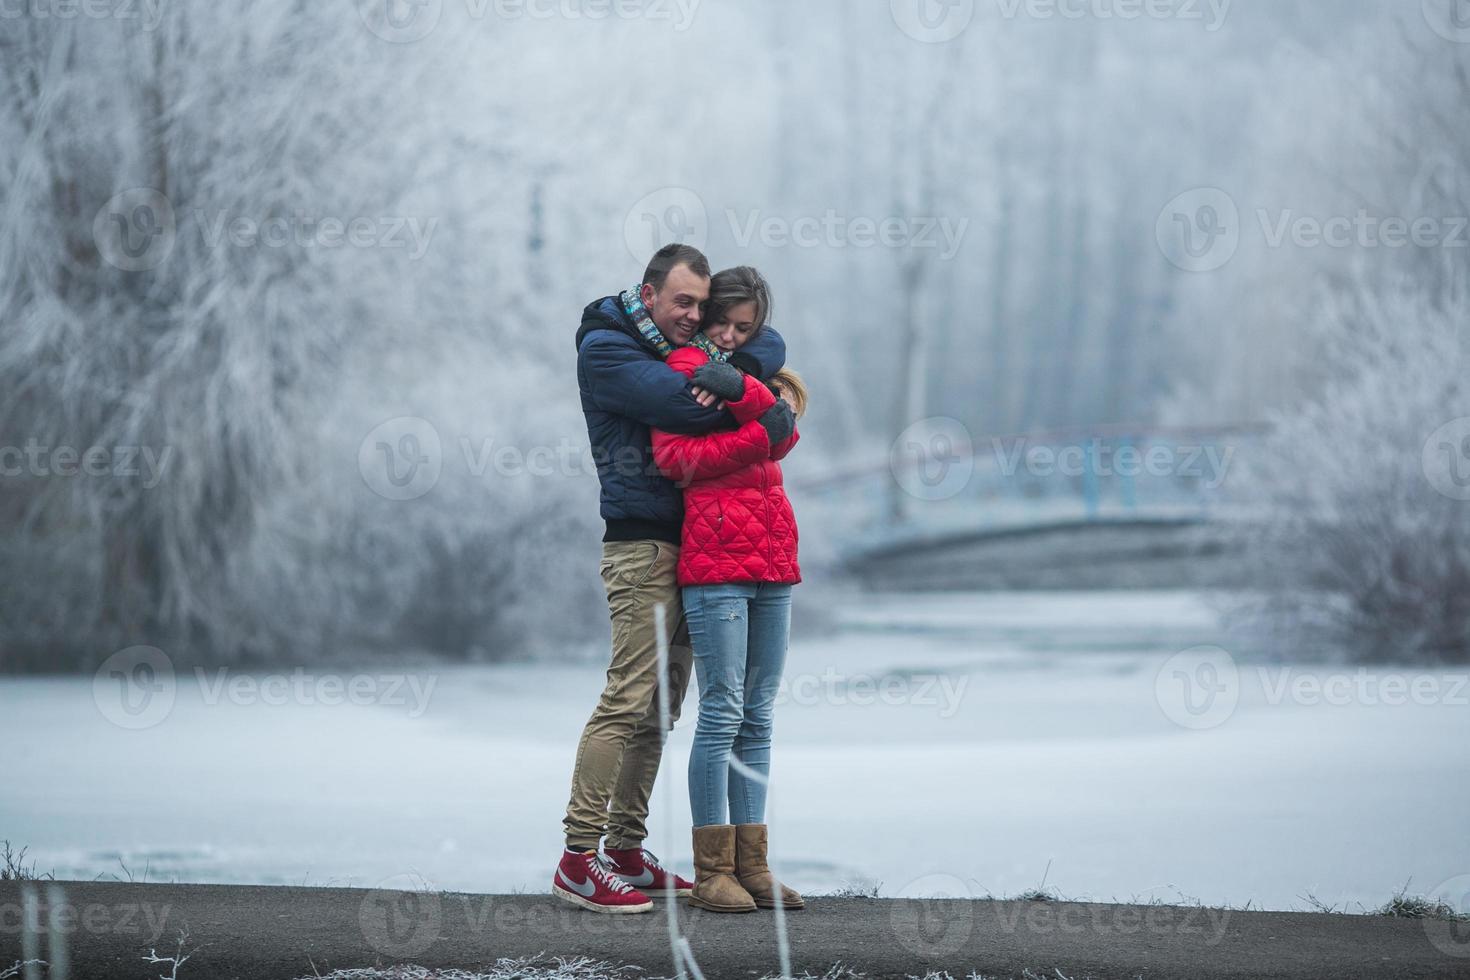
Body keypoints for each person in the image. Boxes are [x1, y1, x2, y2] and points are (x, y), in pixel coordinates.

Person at [552, 244, 788, 913]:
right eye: (682, 303)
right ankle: (577, 860)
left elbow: (768, 335)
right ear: (649, 292)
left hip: (690, 550)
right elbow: (688, 407)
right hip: (640, 547)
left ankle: (627, 849)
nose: (693, 316)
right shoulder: (608, 349)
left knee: (662, 709)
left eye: (700, 306)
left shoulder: (677, 341)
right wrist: (755, 399)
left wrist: (736, 369)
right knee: (626, 701)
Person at [650, 266, 807, 914]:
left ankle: (753, 865)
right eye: (722, 322)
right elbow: (677, 461)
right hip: (716, 561)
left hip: (773, 555)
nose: (729, 335)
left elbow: (787, 433)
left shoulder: (747, 379)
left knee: (761, 714)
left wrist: (747, 398)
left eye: (744, 328)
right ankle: (711, 870)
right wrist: (758, 431)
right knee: (722, 712)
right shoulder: (682, 373)